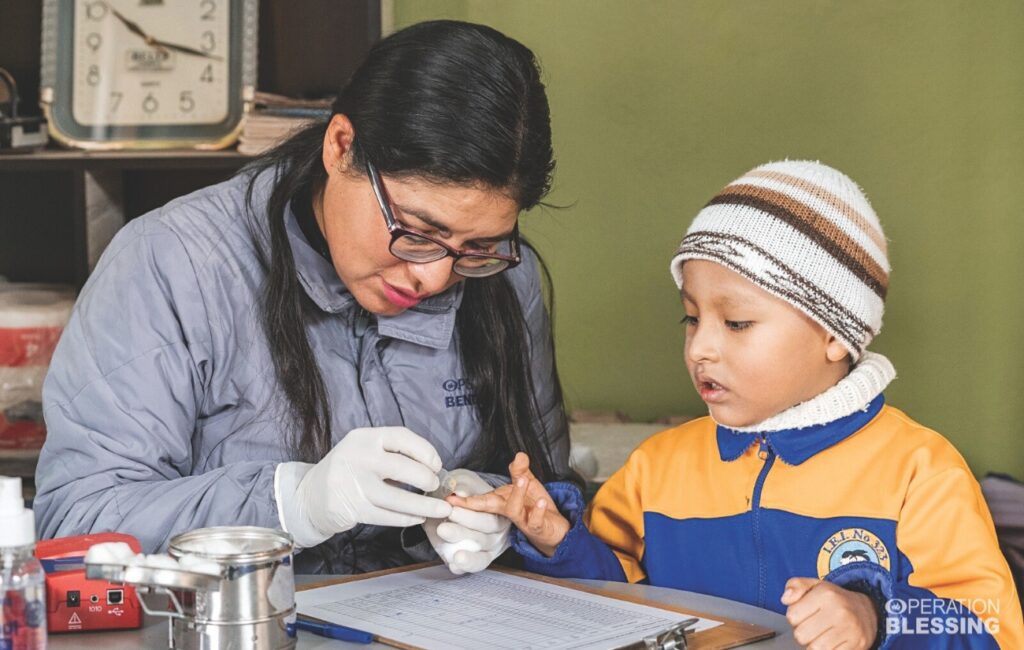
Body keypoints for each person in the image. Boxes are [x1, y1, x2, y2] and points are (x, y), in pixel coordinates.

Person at [34, 20, 570, 575]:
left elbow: (547, 483)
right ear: (341, 147)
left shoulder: (500, 275)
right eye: (415, 231)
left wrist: (493, 507)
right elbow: (78, 520)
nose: (434, 278)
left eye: (476, 246)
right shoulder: (172, 263)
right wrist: (290, 503)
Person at [451, 161, 1024, 648]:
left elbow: (995, 626)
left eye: (738, 322)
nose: (700, 348)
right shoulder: (656, 468)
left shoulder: (919, 470)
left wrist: (874, 617)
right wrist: (559, 539)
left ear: (835, 336)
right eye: (692, 318)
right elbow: (616, 597)